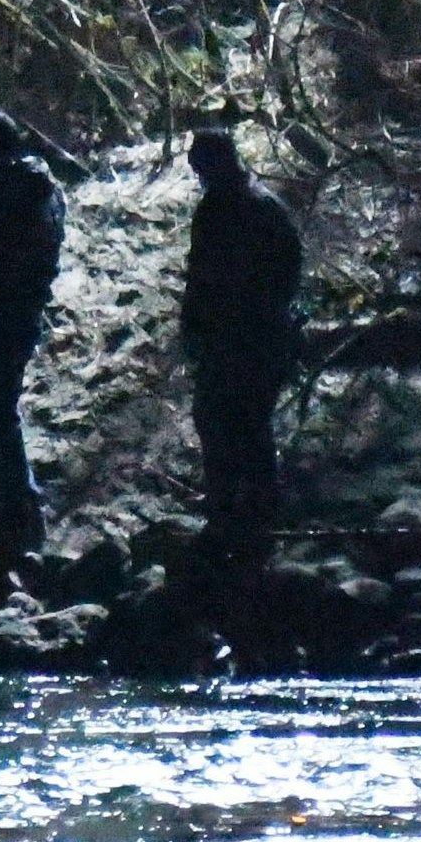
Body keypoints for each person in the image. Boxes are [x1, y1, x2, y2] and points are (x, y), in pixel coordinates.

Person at [181, 127, 305, 566]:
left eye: (199, 166)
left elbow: (279, 274)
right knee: (232, 425)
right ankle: (242, 520)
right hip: (242, 337)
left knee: (238, 425)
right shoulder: (250, 204)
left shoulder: (245, 208)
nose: (197, 174)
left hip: (246, 338)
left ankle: (246, 523)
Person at [0, 112, 65, 551]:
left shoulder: (14, 191)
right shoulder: (37, 186)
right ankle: (13, 506)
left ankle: (17, 509)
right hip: (13, 311)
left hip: (4, 314)